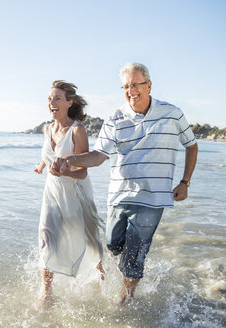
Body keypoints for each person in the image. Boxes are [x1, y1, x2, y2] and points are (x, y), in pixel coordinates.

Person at [51, 63, 198, 305]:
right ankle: (130, 269)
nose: (131, 90)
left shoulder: (172, 113)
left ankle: (126, 299)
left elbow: (191, 145)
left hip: (153, 197)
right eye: (126, 86)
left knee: (134, 254)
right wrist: (71, 160)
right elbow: (98, 155)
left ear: (148, 85)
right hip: (120, 195)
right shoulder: (115, 118)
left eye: (136, 85)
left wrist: (185, 182)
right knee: (113, 244)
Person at [34, 80, 105, 307]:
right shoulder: (48, 128)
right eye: (49, 99)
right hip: (52, 193)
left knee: (91, 240)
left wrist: (66, 170)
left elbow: (83, 171)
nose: (51, 103)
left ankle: (101, 277)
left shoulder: (77, 130)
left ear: (68, 102)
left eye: (56, 98)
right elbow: (50, 154)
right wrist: (42, 166)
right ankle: (47, 292)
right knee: (46, 238)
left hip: (77, 193)